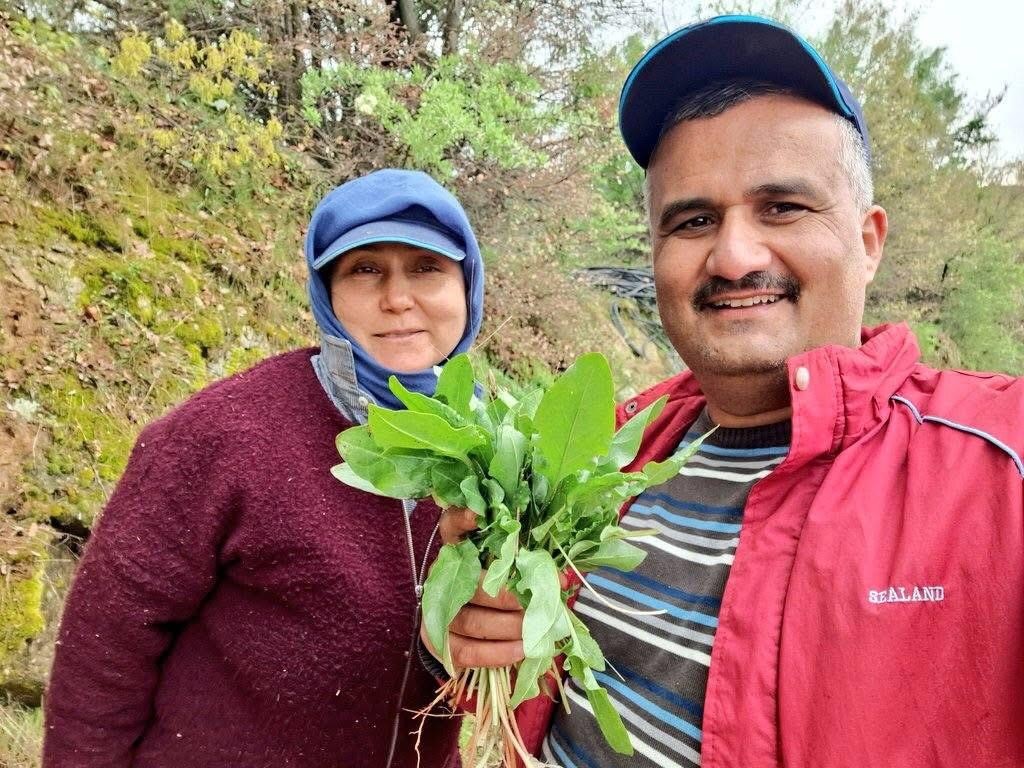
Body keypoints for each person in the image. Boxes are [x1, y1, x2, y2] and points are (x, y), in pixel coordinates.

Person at [433, 15, 1024, 768]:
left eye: (783, 207)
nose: (735, 256)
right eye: (694, 220)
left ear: (869, 240)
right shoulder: (605, 454)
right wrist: (468, 618)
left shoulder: (998, 466)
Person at [43, 168, 485, 768]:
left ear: (467, 286)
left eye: (426, 267)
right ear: (326, 292)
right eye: (364, 269)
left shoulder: (496, 456)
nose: (398, 299)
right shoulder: (223, 433)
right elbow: (106, 642)